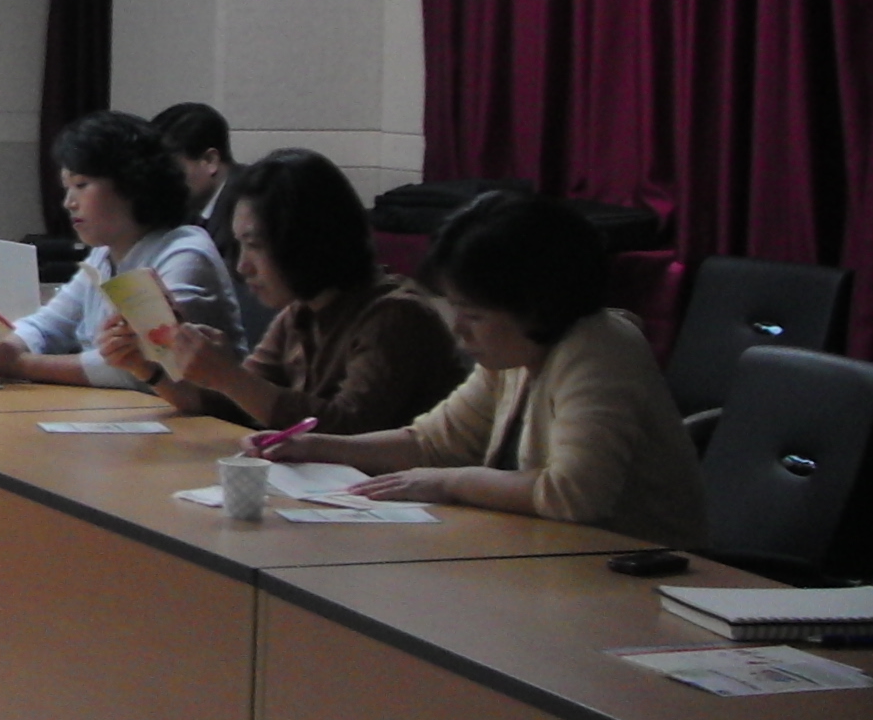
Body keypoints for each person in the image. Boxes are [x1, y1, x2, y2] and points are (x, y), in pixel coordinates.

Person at [260, 191, 708, 544]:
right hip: (555, 558)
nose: (458, 329)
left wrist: (450, 483)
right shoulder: (514, 354)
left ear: (534, 305)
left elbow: (572, 495)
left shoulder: (600, 348)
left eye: (473, 315)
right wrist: (315, 446)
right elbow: (430, 443)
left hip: (643, 570)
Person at [131, 149, 467, 435]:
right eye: (239, 246)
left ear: (306, 240)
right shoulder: (300, 312)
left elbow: (349, 428)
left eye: (255, 246)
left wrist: (229, 377)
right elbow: (235, 405)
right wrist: (150, 369)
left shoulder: (396, 316)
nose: (242, 266)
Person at [0, 111, 239, 388]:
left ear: (133, 183)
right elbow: (48, 325)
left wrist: (17, 365)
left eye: (81, 184)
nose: (69, 203)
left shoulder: (184, 253)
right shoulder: (105, 255)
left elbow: (141, 367)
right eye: (67, 188)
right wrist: (4, 348)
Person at [153, 101, 273, 347]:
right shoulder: (189, 210)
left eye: (169, 169)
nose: (161, 183)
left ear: (210, 161)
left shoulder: (253, 203)